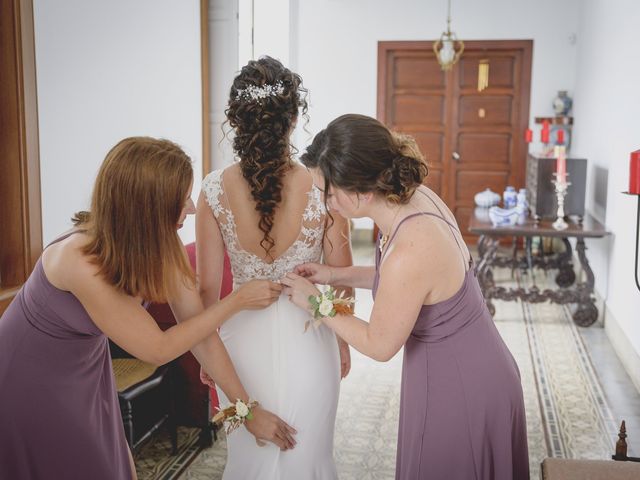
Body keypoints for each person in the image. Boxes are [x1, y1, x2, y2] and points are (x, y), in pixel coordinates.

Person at [0, 137, 295, 480]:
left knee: (113, 465)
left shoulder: (161, 238)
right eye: (181, 198)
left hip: (85, 369)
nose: (192, 207)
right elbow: (157, 348)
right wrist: (237, 300)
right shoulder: (78, 261)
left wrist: (248, 411)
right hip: (28, 379)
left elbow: (198, 328)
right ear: (147, 206)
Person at [281, 114, 530, 479]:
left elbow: (379, 344)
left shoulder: (410, 249)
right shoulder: (415, 199)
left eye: (329, 192)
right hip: (474, 366)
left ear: (362, 191)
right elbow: (408, 287)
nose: (326, 202)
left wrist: (315, 301)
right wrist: (334, 274)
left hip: (463, 387)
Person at [196, 56, 352, 479]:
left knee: (249, 462)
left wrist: (208, 356)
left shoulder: (212, 190)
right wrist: (342, 340)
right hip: (311, 340)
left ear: (236, 120)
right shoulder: (325, 187)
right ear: (294, 118)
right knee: (309, 458)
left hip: (238, 348)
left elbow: (206, 297)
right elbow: (343, 289)